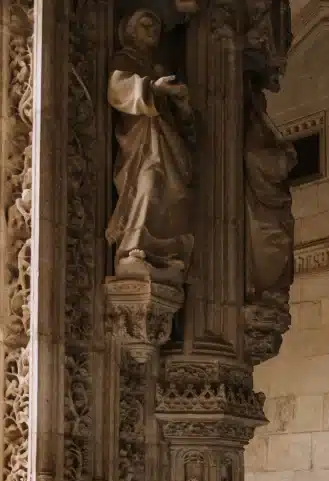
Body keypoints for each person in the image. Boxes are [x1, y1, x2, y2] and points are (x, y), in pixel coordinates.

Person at [106, 9, 195, 285]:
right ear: (130, 31)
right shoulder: (126, 59)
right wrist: (153, 88)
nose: (152, 30)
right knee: (149, 183)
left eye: (156, 26)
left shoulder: (159, 68)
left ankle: (163, 254)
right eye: (146, 24)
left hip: (165, 141)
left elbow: (183, 122)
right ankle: (131, 249)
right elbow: (117, 89)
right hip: (140, 142)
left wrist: (181, 103)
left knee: (174, 195)